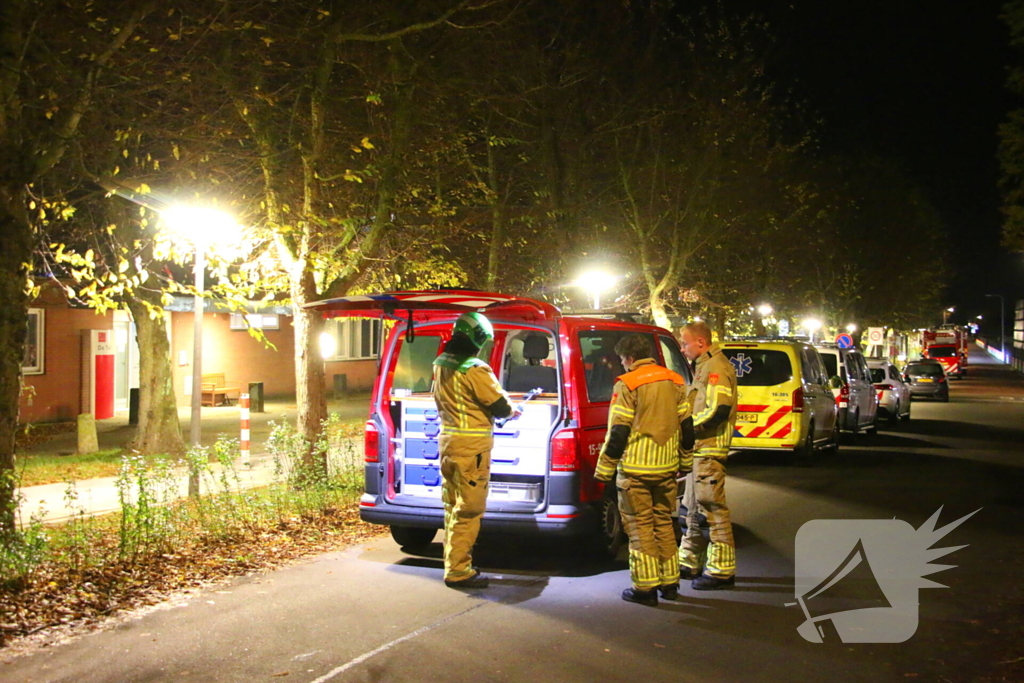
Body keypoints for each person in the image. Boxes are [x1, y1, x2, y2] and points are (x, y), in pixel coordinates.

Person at [594, 334, 694, 606]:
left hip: (636, 470)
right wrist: (685, 462)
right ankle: (670, 583)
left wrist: (604, 471)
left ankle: (645, 588)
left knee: (639, 528)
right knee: (663, 523)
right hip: (667, 468)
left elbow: (618, 432)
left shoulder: (627, 384)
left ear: (628, 358)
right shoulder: (674, 380)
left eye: (622, 360)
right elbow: (687, 427)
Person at [433, 311, 520, 589]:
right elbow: (499, 405)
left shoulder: (441, 364)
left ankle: (452, 563)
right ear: (478, 339)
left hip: (448, 445)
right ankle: (459, 571)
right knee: (469, 510)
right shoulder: (475, 369)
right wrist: (511, 409)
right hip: (472, 451)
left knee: (452, 508)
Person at [677, 321, 738, 590]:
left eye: (685, 342)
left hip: (709, 449)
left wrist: (686, 429)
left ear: (700, 342)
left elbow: (718, 410)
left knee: (712, 510)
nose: (682, 347)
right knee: (690, 510)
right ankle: (689, 561)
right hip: (699, 450)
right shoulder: (704, 366)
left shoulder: (716, 367)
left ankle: (721, 571)